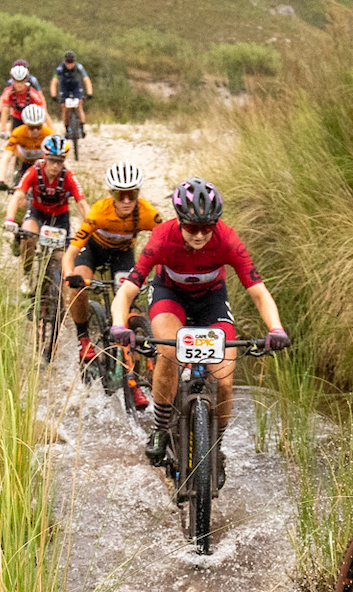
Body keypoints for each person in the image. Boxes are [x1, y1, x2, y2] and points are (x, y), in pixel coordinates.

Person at [109, 177, 290, 484]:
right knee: (168, 352)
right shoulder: (161, 238)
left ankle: (214, 448)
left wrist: (276, 328)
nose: (200, 234)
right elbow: (127, 291)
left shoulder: (227, 239)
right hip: (170, 296)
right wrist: (118, 324)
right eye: (192, 226)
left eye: (208, 226)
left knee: (225, 380)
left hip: (212, 301)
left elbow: (258, 290)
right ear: (179, 221)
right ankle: (161, 429)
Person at [64, 162, 157, 364]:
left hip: (122, 254)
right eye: (119, 195)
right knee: (81, 285)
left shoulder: (146, 212)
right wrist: (69, 275)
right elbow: (70, 252)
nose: (125, 201)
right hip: (93, 251)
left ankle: (137, 352)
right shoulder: (98, 212)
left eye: (131, 195)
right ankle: (83, 336)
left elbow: (168, 238)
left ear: (137, 194)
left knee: (130, 298)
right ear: (111, 194)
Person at [4, 139, 81, 292]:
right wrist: (9, 219)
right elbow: (18, 196)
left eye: (60, 162)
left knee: (61, 259)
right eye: (52, 161)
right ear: (44, 157)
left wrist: (91, 226)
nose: (56, 166)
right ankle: (27, 275)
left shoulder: (69, 177)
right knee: (28, 237)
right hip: (37, 214)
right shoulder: (33, 171)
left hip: (60, 218)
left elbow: (82, 203)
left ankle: (57, 295)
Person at [0, 102, 50, 193]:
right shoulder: (18, 133)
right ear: (26, 125)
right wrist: (1, 180)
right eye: (31, 127)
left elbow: (60, 157)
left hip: (41, 164)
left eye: (38, 127)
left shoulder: (47, 134)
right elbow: (6, 157)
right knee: (19, 195)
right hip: (23, 164)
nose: (36, 131)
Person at [0, 62, 44, 137]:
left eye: (21, 82)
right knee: (15, 139)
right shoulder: (8, 92)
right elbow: (5, 111)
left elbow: (43, 112)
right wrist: (3, 130)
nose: (19, 85)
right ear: (12, 81)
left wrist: (51, 131)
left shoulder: (33, 93)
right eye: (16, 82)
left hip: (31, 121)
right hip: (16, 119)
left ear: (26, 81)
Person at [52, 48, 93, 131]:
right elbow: (54, 81)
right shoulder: (60, 68)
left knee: (79, 105)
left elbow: (86, 79)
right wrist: (53, 94)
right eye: (68, 62)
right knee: (64, 107)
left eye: (71, 62)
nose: (69, 64)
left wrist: (90, 92)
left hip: (76, 86)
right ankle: (66, 127)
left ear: (74, 61)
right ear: (65, 62)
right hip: (64, 87)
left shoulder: (79, 67)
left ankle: (81, 126)